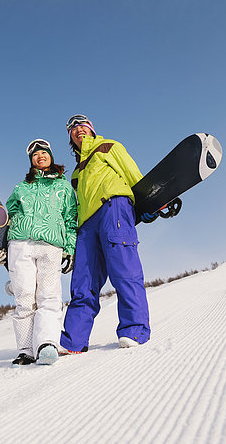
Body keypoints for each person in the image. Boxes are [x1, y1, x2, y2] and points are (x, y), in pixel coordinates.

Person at [0, 139, 77, 366]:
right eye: (35, 154)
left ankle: (47, 343)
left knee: (49, 296)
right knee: (25, 297)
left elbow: (70, 220)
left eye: (44, 153)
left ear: (51, 156)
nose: (40, 156)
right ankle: (27, 350)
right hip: (20, 243)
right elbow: (3, 218)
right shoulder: (21, 187)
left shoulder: (64, 187)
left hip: (51, 245)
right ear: (31, 161)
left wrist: (69, 250)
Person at [60, 114, 157, 354]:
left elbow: (133, 174)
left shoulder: (108, 147)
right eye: (72, 129)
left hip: (113, 208)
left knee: (124, 270)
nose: (77, 130)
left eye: (82, 126)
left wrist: (149, 202)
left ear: (91, 129)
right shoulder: (75, 174)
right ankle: (73, 341)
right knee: (83, 283)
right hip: (86, 226)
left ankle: (134, 330)